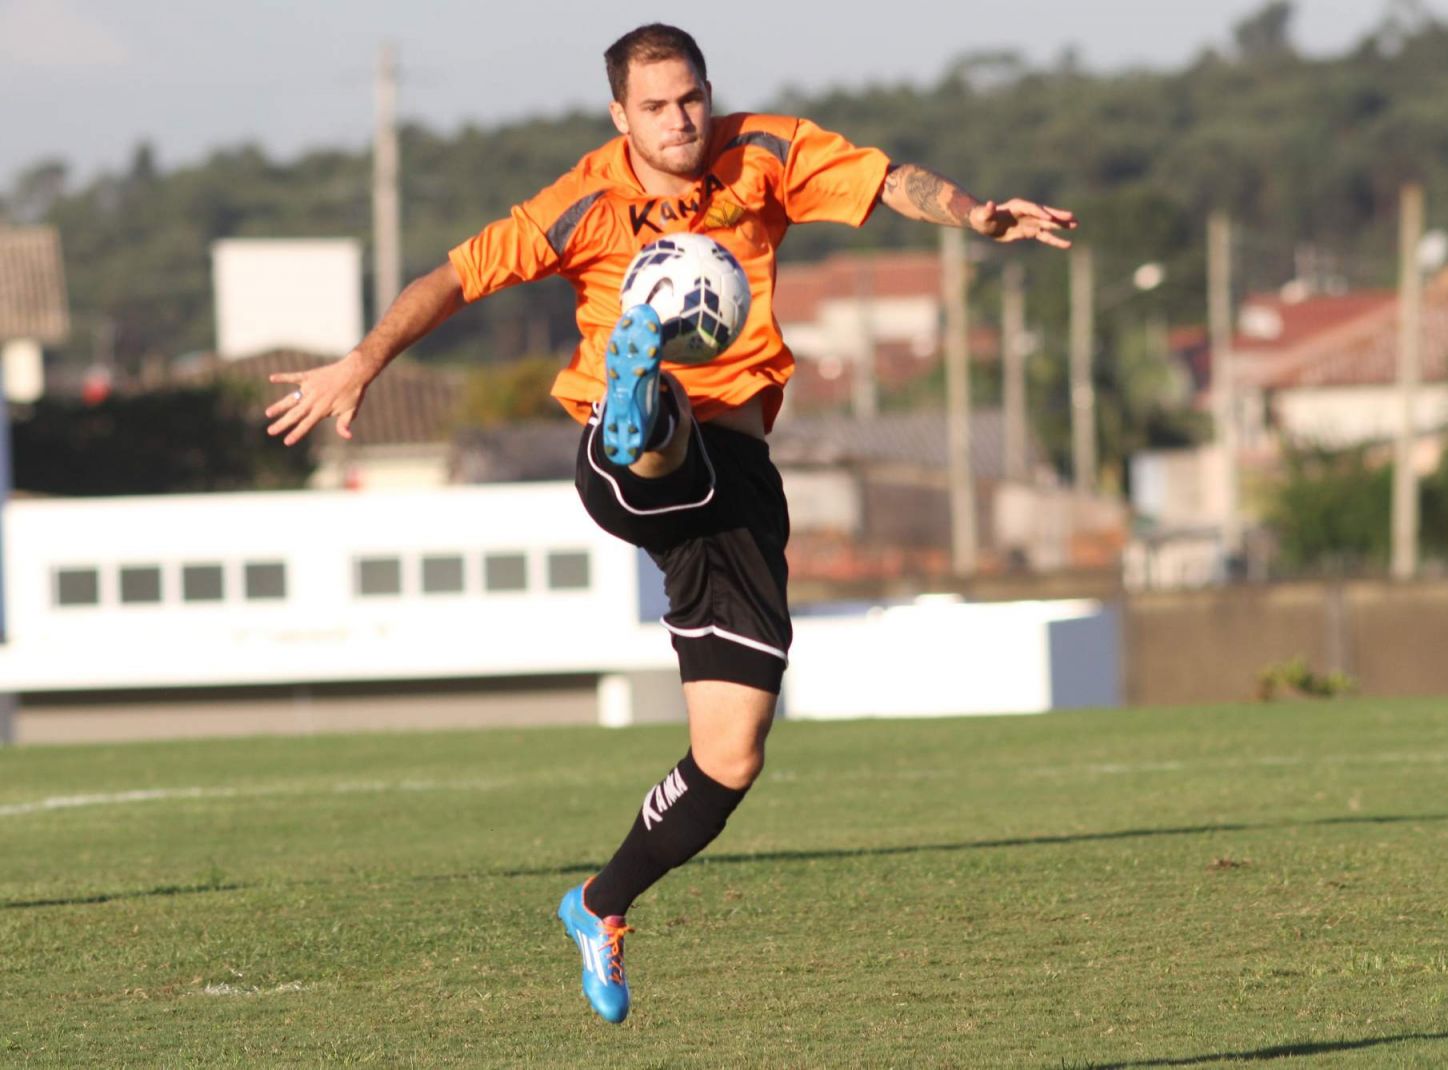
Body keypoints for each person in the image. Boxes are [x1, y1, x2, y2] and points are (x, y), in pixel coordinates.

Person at [266, 22, 1075, 1025]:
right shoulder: (584, 202)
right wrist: (362, 362)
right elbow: (454, 278)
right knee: (662, 438)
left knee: (732, 756)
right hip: (626, 463)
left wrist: (974, 213)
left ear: (708, 91)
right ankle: (640, 388)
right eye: (655, 106)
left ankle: (598, 904)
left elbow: (886, 182)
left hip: (738, 488)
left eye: (690, 97)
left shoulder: (764, 153)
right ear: (621, 115)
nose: (680, 119)